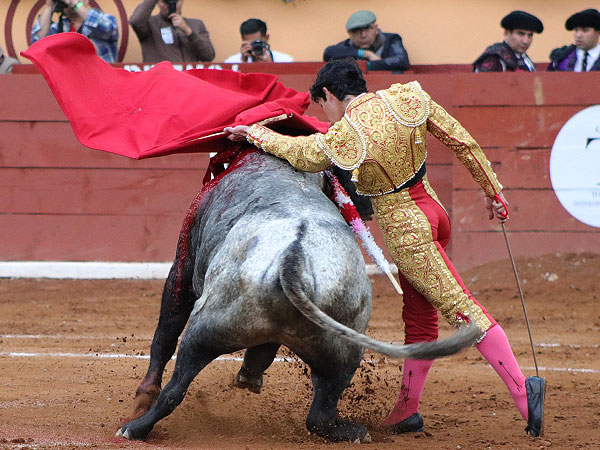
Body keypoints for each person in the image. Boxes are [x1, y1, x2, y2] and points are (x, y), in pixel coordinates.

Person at [224, 59, 544, 438]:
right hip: (432, 209)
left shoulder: (348, 132)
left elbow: (305, 154)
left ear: (328, 94)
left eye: (323, 106)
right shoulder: (407, 97)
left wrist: (255, 135)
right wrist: (493, 193)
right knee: (420, 317)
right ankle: (407, 410)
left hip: (407, 230)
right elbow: (462, 142)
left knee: (463, 311)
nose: (327, 115)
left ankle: (524, 392)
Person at [31, 0, 118, 63]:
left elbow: (107, 29)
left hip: (100, 78)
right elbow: (37, 44)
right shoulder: (59, 27)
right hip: (70, 79)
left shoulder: (106, 19)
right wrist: (49, 7)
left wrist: (76, 4)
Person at [323, 10, 409, 72]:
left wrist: (368, 65)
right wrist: (365, 54)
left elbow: (402, 61)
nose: (363, 35)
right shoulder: (347, 45)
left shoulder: (391, 39)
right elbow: (328, 53)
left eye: (367, 29)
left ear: (376, 29)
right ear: (349, 34)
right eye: (356, 31)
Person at [129, 0, 215, 63]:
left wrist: (188, 31)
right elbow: (135, 21)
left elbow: (208, 56)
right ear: (158, 3)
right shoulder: (150, 24)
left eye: (175, 1)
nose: (170, 5)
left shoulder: (196, 24)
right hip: (162, 79)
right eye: (165, 1)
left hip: (188, 79)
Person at [473, 10, 543, 72]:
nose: (526, 41)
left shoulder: (525, 59)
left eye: (530, 35)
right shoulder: (494, 59)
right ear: (507, 33)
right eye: (521, 34)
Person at [224, 18, 293, 63]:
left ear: (266, 38)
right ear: (243, 42)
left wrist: (271, 65)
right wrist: (243, 63)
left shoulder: (285, 60)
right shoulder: (232, 62)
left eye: (257, 43)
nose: (255, 47)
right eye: (251, 44)